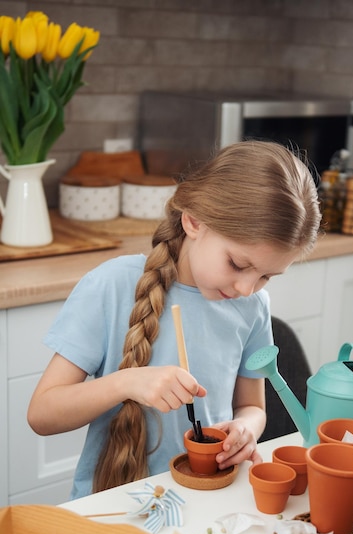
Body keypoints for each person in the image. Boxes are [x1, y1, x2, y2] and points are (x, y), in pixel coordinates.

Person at [27, 140, 321, 499]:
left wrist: (246, 428)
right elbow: (42, 414)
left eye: (266, 276)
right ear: (194, 220)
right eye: (238, 264)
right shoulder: (111, 285)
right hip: (114, 504)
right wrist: (126, 383)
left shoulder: (253, 306)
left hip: (208, 498)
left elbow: (253, 406)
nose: (247, 288)